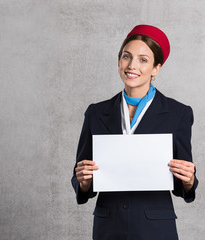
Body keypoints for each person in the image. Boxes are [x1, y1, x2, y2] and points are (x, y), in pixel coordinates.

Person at [71, 24, 198, 240]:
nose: (132, 65)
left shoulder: (178, 114)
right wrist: (82, 181)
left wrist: (188, 179)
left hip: (155, 229)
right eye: (126, 57)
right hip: (108, 227)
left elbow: (183, 183)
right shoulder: (96, 113)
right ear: (119, 61)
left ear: (156, 68)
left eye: (143, 59)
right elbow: (82, 178)